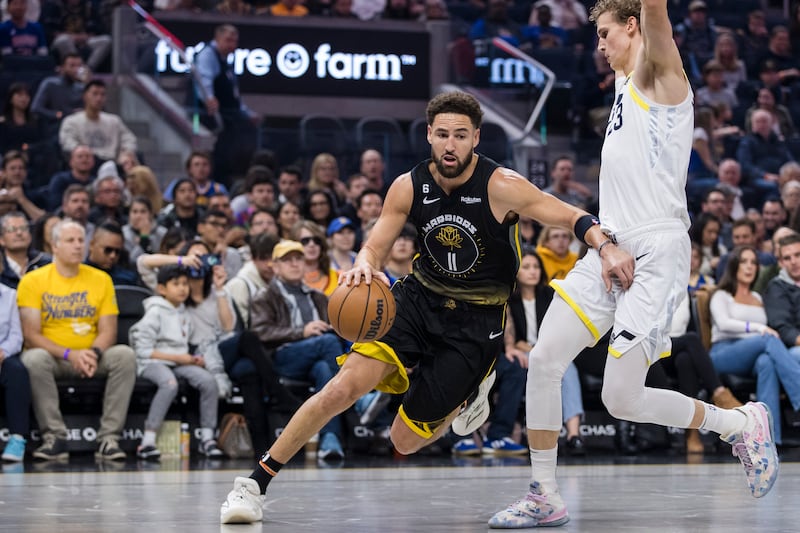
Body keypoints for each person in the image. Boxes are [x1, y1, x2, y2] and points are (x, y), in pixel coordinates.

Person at [219, 91, 629, 524]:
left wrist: (604, 246)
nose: (450, 144)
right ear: (429, 135)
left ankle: (473, 388)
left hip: (477, 320)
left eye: (460, 135)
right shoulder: (409, 185)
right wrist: (363, 265)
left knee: (403, 442)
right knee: (341, 388)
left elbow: (569, 216)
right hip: (417, 299)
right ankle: (252, 484)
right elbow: (375, 246)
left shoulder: (501, 186)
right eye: (442, 135)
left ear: (476, 138)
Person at [491, 2, 778, 529]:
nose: (598, 44)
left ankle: (735, 423)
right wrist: (603, 244)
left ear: (632, 28)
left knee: (620, 396)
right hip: (609, 245)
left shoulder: (661, 75)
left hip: (656, 250)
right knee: (546, 357)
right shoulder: (622, 87)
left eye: (605, 33)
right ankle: (544, 493)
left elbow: (657, 14)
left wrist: (650, 13)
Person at [18, 219, 137, 461]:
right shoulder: (33, 281)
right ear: (54, 245)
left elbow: (108, 331)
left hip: (92, 356)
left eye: (81, 240)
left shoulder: (101, 279)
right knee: (32, 359)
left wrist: (92, 353)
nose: (77, 246)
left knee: (125, 355)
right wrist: (70, 355)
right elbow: (31, 335)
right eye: (70, 240)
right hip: (56, 358)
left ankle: (109, 439)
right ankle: (55, 437)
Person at [708, 245, 800, 447]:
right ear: (734, 266)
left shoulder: (758, 298)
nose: (749, 267)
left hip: (754, 353)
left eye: (753, 263)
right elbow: (723, 324)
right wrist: (758, 327)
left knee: (767, 362)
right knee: (768, 338)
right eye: (744, 262)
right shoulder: (721, 294)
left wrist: (761, 331)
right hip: (724, 352)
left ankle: (768, 440)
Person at [129, 265, 223, 460]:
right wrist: (179, 358)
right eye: (176, 284)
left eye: (184, 284)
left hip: (179, 362)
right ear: (162, 288)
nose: (182, 288)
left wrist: (193, 359)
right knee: (169, 384)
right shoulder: (154, 311)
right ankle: (147, 440)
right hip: (151, 362)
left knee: (208, 381)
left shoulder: (184, 312)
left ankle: (207, 438)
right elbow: (143, 350)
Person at [193, 24, 259, 185]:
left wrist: (248, 114)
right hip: (210, 117)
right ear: (217, 38)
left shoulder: (226, 61)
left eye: (235, 41)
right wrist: (209, 98)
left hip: (230, 116)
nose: (232, 45)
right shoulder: (208, 54)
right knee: (219, 153)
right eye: (228, 40)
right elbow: (203, 79)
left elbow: (233, 94)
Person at [59, 80, 138, 164]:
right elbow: (68, 144)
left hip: (112, 164)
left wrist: (126, 153)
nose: (99, 98)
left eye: (102, 94)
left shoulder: (114, 121)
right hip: (86, 164)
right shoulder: (71, 121)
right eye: (95, 94)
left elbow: (129, 139)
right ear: (85, 96)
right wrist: (84, 153)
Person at [0, 276, 31, 462]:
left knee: (17, 372)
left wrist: (3, 352)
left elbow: (16, 337)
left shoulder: (9, 295)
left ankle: (17, 439)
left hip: (2, 356)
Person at [0, 211, 50, 289]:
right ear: (1, 239)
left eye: (23, 228)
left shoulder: (45, 262)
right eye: (12, 229)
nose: (19, 233)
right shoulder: (1, 268)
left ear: (30, 235)